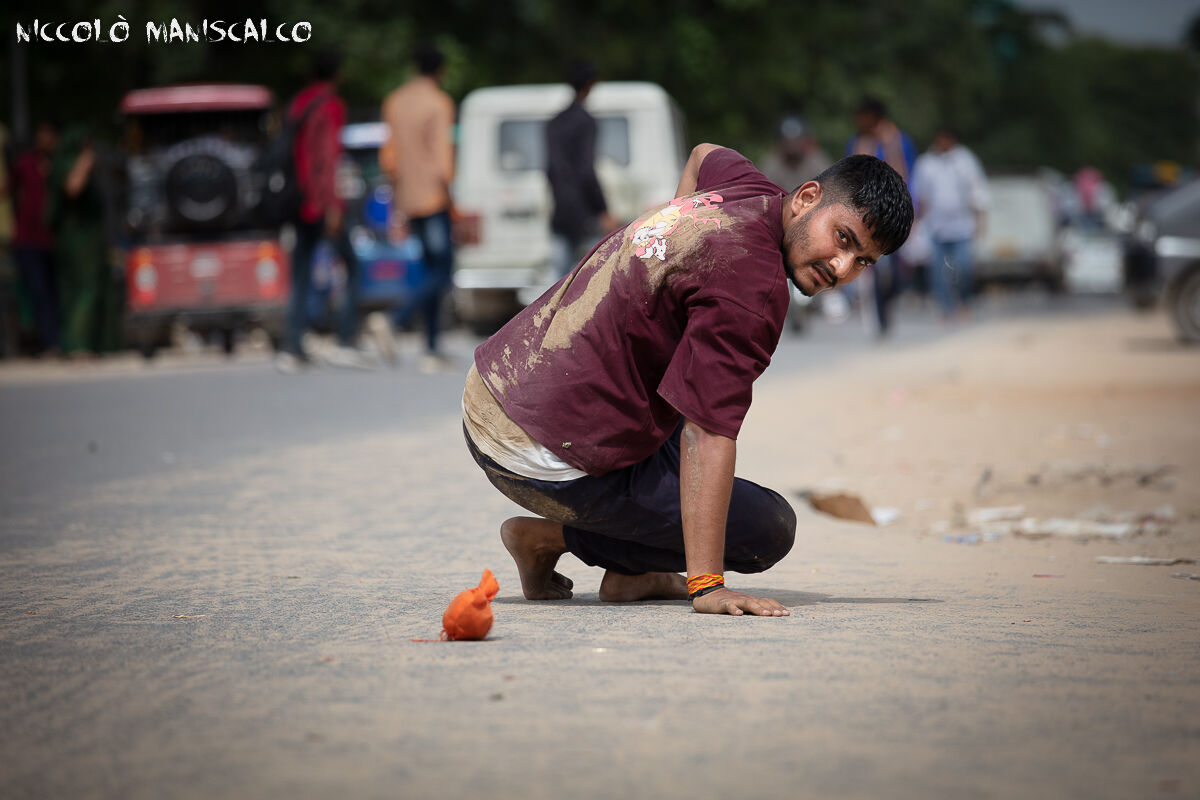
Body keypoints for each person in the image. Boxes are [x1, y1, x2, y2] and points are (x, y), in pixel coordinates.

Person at [461, 144, 912, 616]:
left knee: (682, 392)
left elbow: (703, 154)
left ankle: (629, 575)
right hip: (530, 450)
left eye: (863, 261)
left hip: (494, 382)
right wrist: (707, 585)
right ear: (806, 197)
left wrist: (672, 226)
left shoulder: (746, 189)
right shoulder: (753, 287)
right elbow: (708, 435)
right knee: (768, 529)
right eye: (843, 237)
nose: (842, 267)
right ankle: (544, 539)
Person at [278, 49, 365, 373]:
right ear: (337, 74)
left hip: (296, 199)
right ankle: (345, 339)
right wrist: (333, 207)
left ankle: (292, 345)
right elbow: (327, 159)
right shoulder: (330, 105)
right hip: (319, 202)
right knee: (352, 265)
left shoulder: (298, 103)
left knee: (300, 274)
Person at [380, 43, 457, 372]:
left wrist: (399, 198)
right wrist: (451, 195)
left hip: (409, 198)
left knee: (429, 272)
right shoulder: (439, 103)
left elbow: (389, 159)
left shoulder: (394, 101)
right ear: (440, 70)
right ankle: (393, 320)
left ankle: (430, 347)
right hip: (434, 198)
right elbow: (443, 160)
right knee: (443, 270)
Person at [847, 97, 916, 337]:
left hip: (894, 211)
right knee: (874, 266)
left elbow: (910, 175)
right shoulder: (856, 142)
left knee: (895, 271)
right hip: (866, 214)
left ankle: (890, 301)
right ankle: (881, 319)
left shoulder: (899, 141)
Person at [545, 60, 617, 280]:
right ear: (589, 85)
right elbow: (586, 170)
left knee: (558, 278)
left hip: (560, 208)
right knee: (587, 276)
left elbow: (551, 169)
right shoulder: (585, 121)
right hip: (584, 211)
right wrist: (603, 209)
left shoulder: (554, 122)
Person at [910, 127, 988, 320]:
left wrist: (981, 220)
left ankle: (964, 301)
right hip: (936, 227)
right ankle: (945, 308)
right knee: (938, 272)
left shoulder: (965, 160)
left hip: (962, 226)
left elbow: (977, 192)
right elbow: (920, 196)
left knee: (964, 267)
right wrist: (915, 223)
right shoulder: (926, 164)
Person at [47, 126, 108, 359]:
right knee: (85, 290)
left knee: (76, 290)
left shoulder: (58, 161)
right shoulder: (72, 161)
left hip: (76, 238)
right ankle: (78, 344)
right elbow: (73, 188)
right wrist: (85, 162)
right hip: (78, 239)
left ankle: (82, 343)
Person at [11, 121, 62, 357]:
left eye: (49, 135)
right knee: (38, 292)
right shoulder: (25, 163)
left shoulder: (60, 164)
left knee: (56, 292)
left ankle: (60, 340)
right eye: (41, 135)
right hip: (28, 240)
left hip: (56, 239)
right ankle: (49, 343)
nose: (45, 140)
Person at [759, 115, 832, 192]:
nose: (792, 144)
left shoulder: (817, 161)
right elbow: (763, 193)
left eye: (797, 140)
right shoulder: (771, 164)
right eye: (787, 140)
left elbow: (829, 189)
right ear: (779, 142)